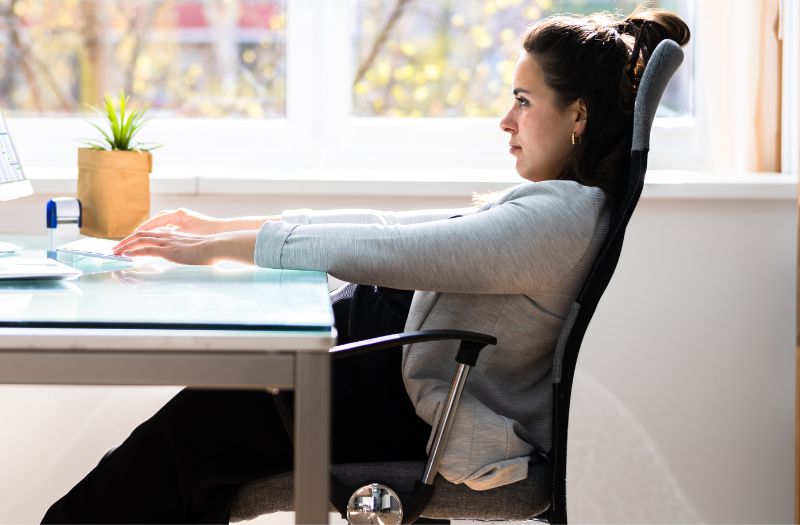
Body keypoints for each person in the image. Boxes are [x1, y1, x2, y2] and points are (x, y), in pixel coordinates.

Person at [43, 8, 689, 524]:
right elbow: (394, 228)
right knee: (193, 447)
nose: (505, 120)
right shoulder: (557, 206)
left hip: (394, 394)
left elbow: (394, 252)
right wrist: (222, 230)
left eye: (524, 100)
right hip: (375, 365)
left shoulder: (558, 219)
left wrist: (223, 244)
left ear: (578, 114)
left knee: (185, 442)